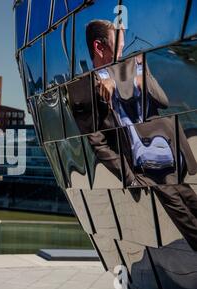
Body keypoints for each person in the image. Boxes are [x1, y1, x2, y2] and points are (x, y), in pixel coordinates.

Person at [82, 19, 197, 250]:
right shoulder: (86, 88)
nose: (124, 49)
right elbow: (98, 142)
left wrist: (138, 80)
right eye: (118, 44)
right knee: (189, 225)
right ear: (99, 47)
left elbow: (162, 100)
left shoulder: (134, 65)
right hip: (143, 169)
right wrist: (130, 177)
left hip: (168, 158)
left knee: (193, 205)